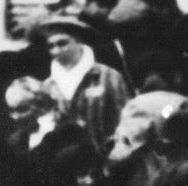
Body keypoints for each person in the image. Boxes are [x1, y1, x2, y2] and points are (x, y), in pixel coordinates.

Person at [44, 16, 132, 148]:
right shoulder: (48, 85)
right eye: (51, 46)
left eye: (62, 43)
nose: (56, 50)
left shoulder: (108, 77)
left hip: (104, 158)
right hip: (62, 161)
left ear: (78, 41)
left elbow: (127, 120)